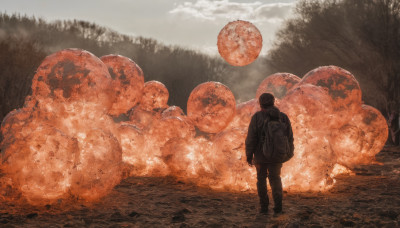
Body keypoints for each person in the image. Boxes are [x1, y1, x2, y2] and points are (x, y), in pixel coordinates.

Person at [245, 93, 294, 215]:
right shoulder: (283, 117)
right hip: (277, 155)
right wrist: (289, 152)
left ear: (260, 103)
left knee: (261, 179)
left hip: (260, 156)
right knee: (276, 179)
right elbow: (289, 137)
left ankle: (264, 208)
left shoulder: (257, 117)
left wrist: (249, 154)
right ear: (274, 102)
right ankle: (278, 207)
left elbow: (251, 138)